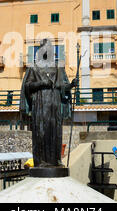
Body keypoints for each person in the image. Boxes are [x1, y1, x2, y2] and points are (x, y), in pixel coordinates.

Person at [20, 39, 78, 168]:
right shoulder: (33, 67)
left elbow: (61, 86)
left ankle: (55, 160)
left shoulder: (57, 68)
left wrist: (71, 85)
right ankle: (41, 161)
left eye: (51, 48)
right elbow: (27, 86)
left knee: (55, 131)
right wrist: (41, 83)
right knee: (41, 132)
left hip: (54, 102)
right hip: (40, 103)